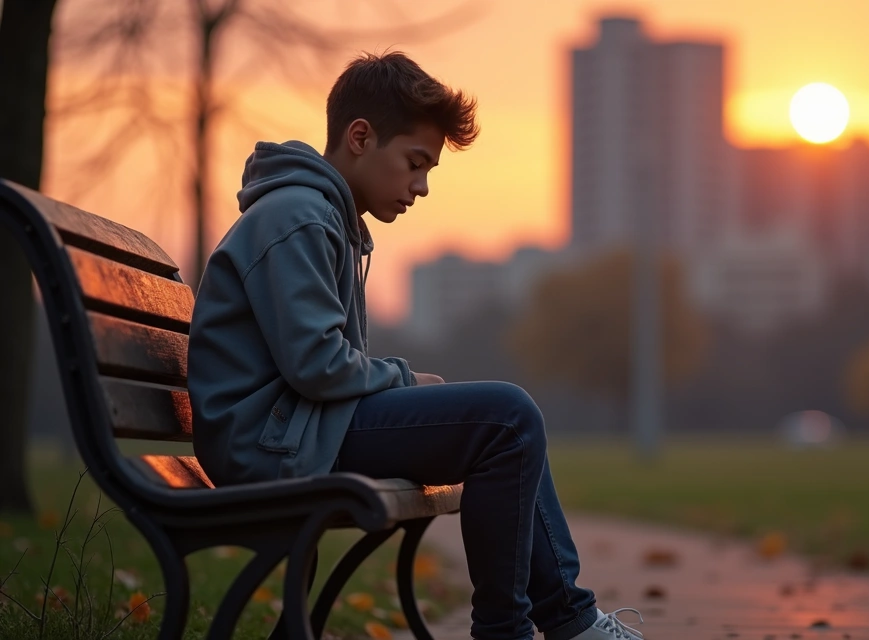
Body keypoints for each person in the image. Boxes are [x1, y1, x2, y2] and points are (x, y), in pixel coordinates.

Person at [187, 51, 644, 640]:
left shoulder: (321, 215)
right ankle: (533, 626)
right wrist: (403, 380)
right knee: (506, 418)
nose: (421, 187)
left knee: (505, 424)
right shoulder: (298, 217)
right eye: (415, 163)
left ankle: (565, 619)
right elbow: (316, 366)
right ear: (360, 137)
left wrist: (399, 384)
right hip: (273, 442)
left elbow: (316, 368)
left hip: (291, 431)